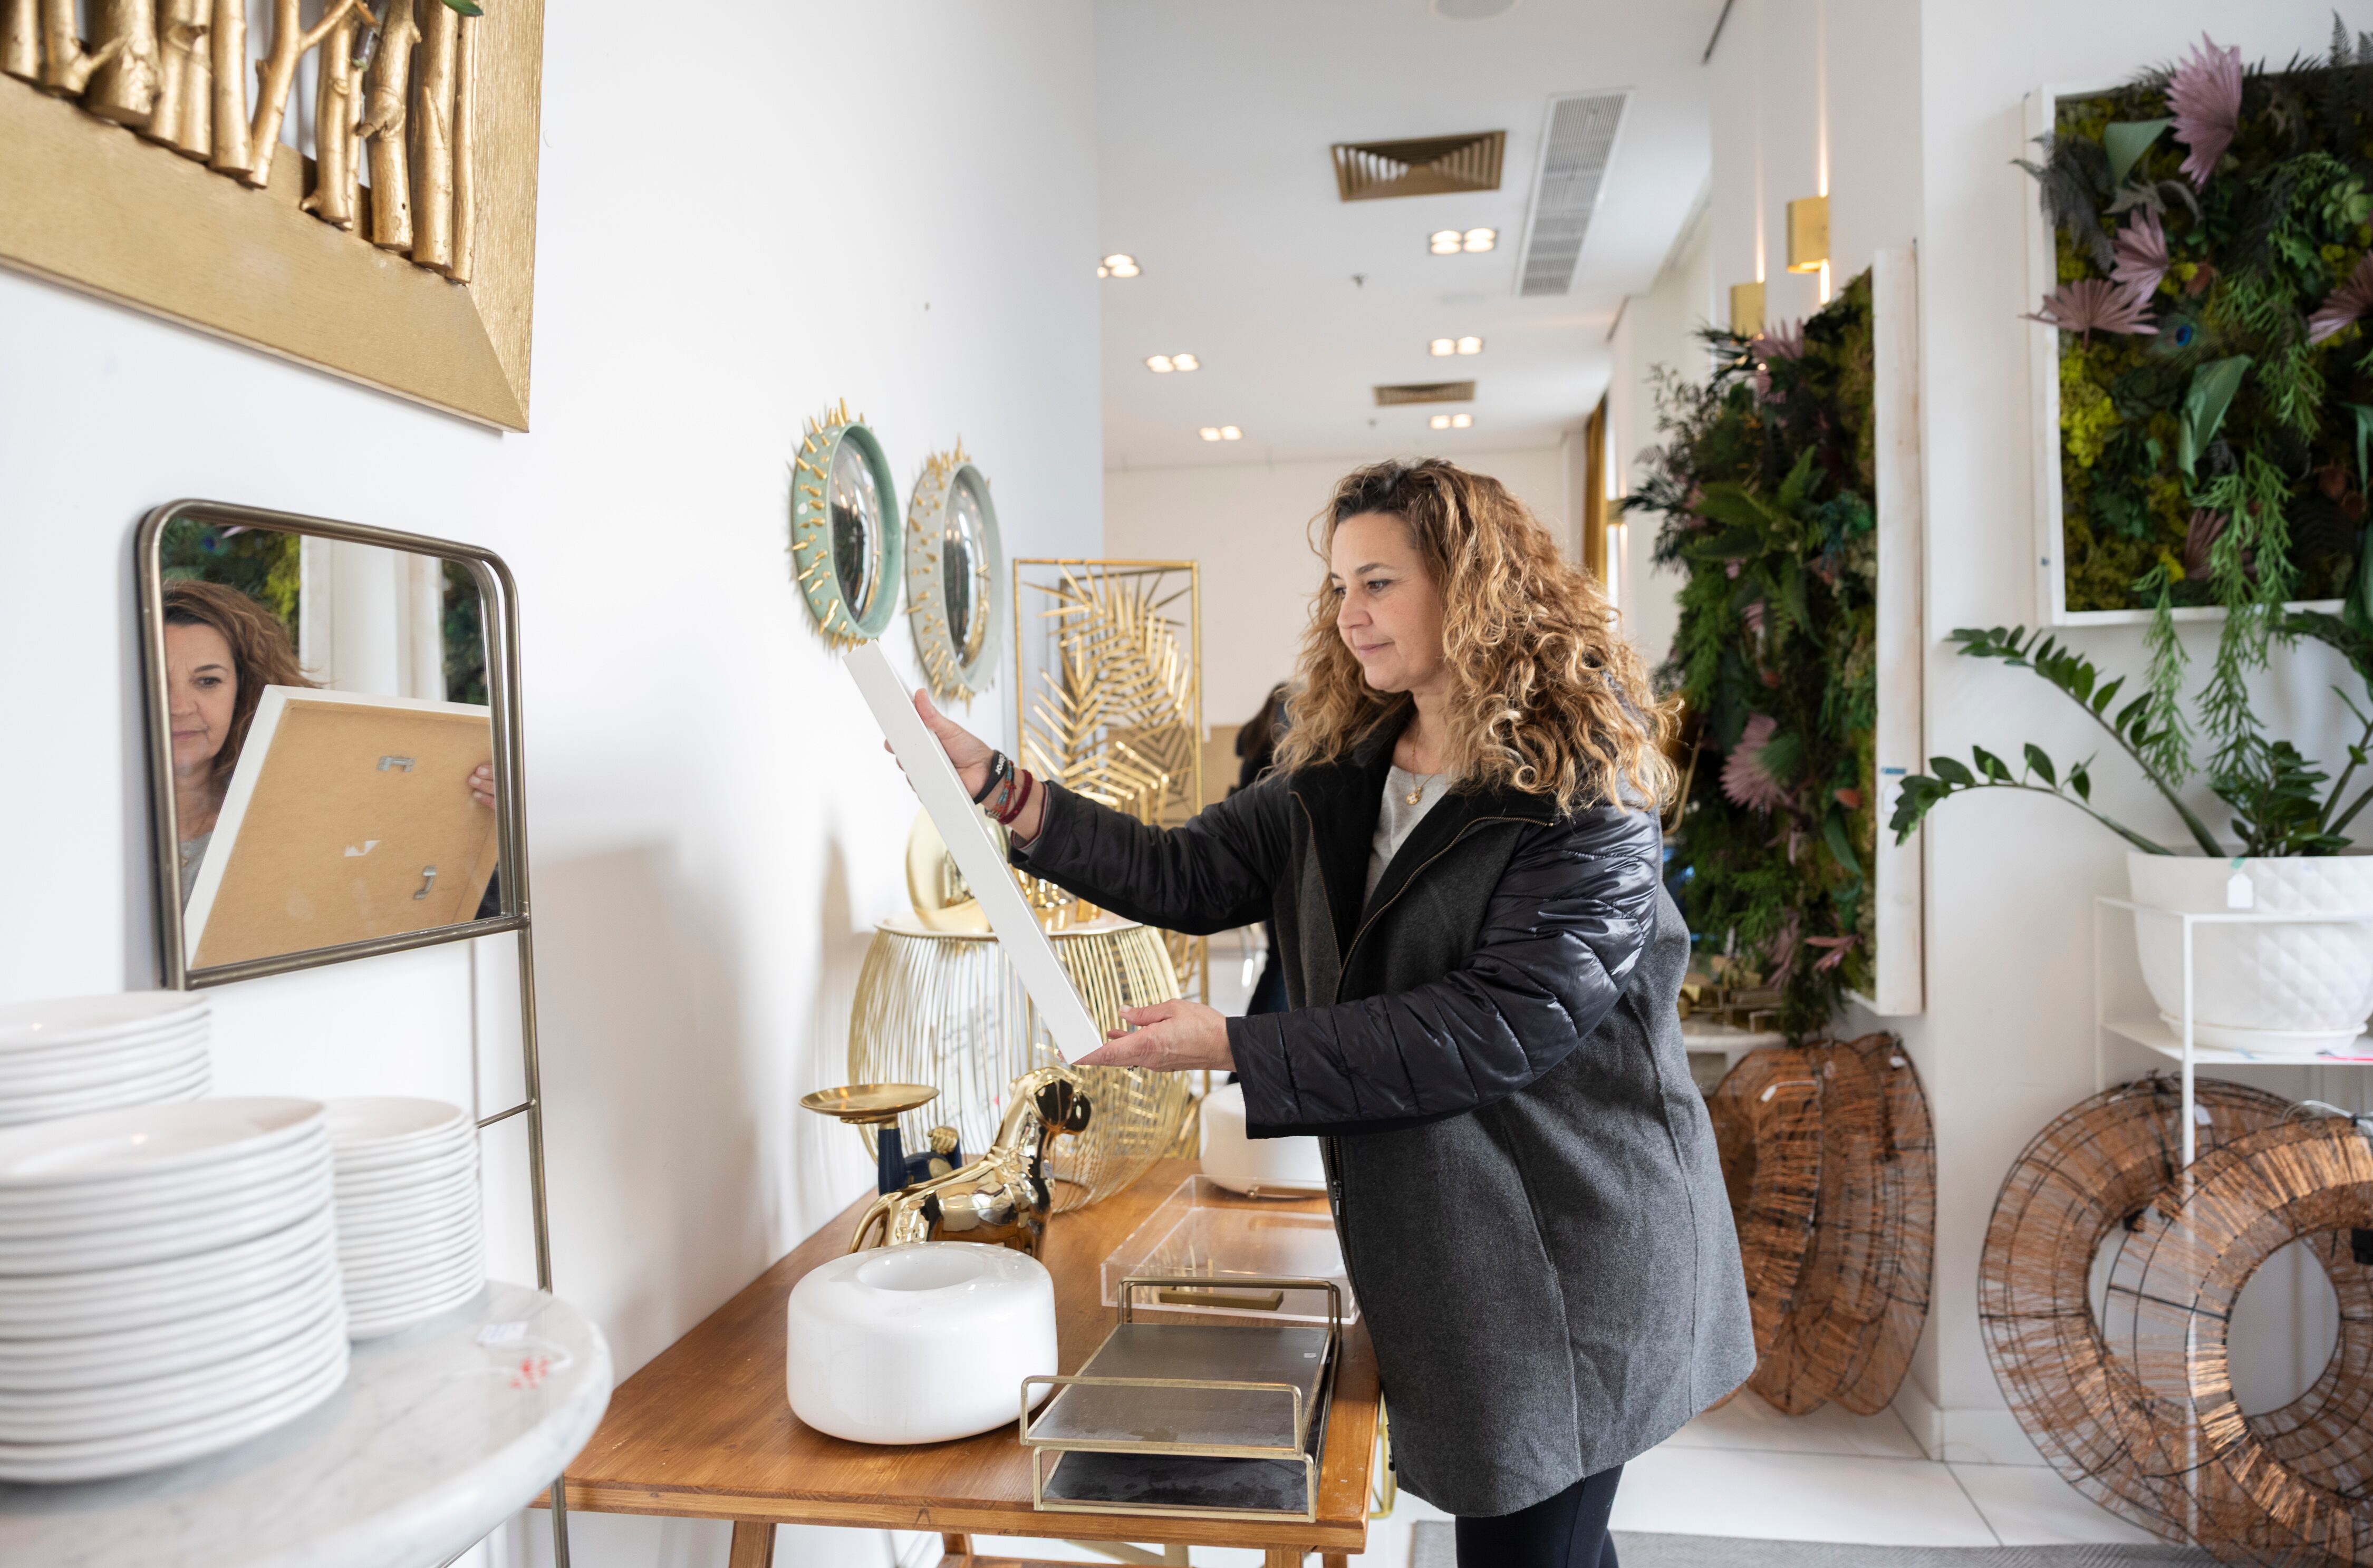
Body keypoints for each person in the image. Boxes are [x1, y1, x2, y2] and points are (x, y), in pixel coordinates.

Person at [913, 459, 1753, 1568]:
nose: (1350, 615)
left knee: (1528, 1551)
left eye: (1379, 582)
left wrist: (1233, 1042)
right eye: (1339, 587)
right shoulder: (1336, 779)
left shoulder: (1582, 801)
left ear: (1475, 587)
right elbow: (1181, 871)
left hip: (1577, 1246)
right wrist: (1007, 793)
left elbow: (1492, 1025)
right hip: (1463, 1240)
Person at [162, 580, 495, 898]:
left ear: (243, 691)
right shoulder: (113, 829)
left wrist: (490, 825)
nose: (179, 707)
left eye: (208, 681)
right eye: (156, 682)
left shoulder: (308, 815)